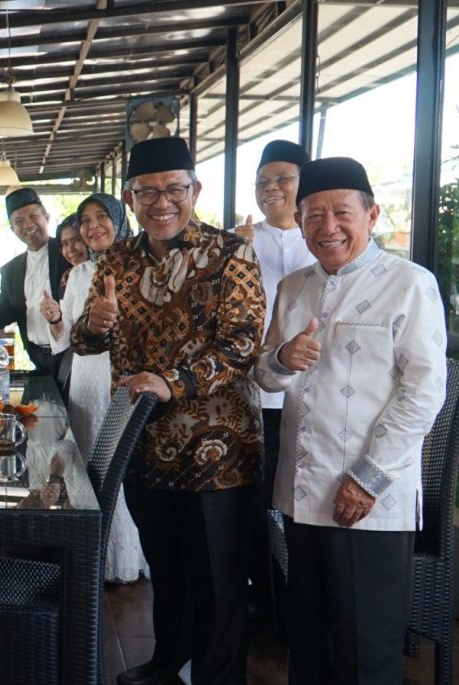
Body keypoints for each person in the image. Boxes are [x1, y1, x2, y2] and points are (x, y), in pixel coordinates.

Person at [71, 138, 265, 685]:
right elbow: (87, 343)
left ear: (194, 190)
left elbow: (242, 343)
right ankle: (164, 662)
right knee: (167, 570)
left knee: (219, 583)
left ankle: (215, 678)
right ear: (130, 199)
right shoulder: (116, 260)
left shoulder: (232, 254)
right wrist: (96, 325)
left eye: (174, 190)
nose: (162, 202)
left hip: (218, 450)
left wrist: (172, 382)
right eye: (148, 192)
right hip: (144, 446)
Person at [254, 157, 446, 684]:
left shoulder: (409, 283)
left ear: (372, 214)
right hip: (301, 490)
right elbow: (266, 379)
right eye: (313, 215)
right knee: (308, 639)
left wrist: (368, 478)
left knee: (365, 649)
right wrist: (279, 358)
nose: (328, 227)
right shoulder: (293, 287)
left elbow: (424, 391)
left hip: (369, 497)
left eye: (342, 212)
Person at [40, 193, 148, 583]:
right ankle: (91, 557)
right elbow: (65, 339)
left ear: (120, 220)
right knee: (87, 465)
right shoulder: (82, 273)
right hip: (85, 378)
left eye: (103, 217)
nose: (92, 226)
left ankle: (119, 560)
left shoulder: (139, 266)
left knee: (116, 469)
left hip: (118, 378)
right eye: (86, 220)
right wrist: (54, 318)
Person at [232, 139, 316, 626]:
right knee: (259, 503)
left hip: (315, 401)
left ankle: (303, 604)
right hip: (256, 394)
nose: (271, 188)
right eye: (262, 181)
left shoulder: (325, 238)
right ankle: (268, 599)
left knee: (302, 506)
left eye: (282, 178)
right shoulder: (239, 240)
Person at [0, 187, 70, 375]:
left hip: (70, 356)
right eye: (19, 221)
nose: (27, 225)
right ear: (13, 229)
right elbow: (7, 314)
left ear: (46, 216)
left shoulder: (68, 254)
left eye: (33, 216)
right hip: (36, 357)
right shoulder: (11, 270)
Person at [55, 213, 88, 297]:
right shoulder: (67, 278)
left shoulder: (107, 272)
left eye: (77, 240)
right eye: (65, 244)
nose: (70, 249)